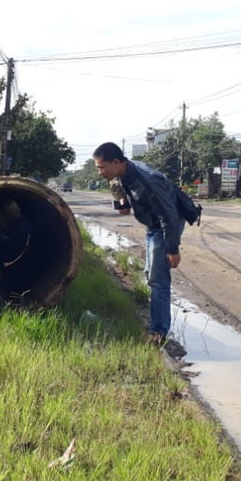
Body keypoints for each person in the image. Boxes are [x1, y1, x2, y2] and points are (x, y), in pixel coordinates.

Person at [93, 142, 185, 345]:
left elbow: (168, 215)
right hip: (153, 226)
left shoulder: (147, 180)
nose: (100, 172)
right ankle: (156, 322)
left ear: (116, 162)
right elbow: (117, 185)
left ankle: (158, 332)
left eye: (102, 167)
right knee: (150, 274)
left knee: (158, 279)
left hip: (165, 226)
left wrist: (172, 248)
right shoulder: (125, 172)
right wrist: (122, 202)